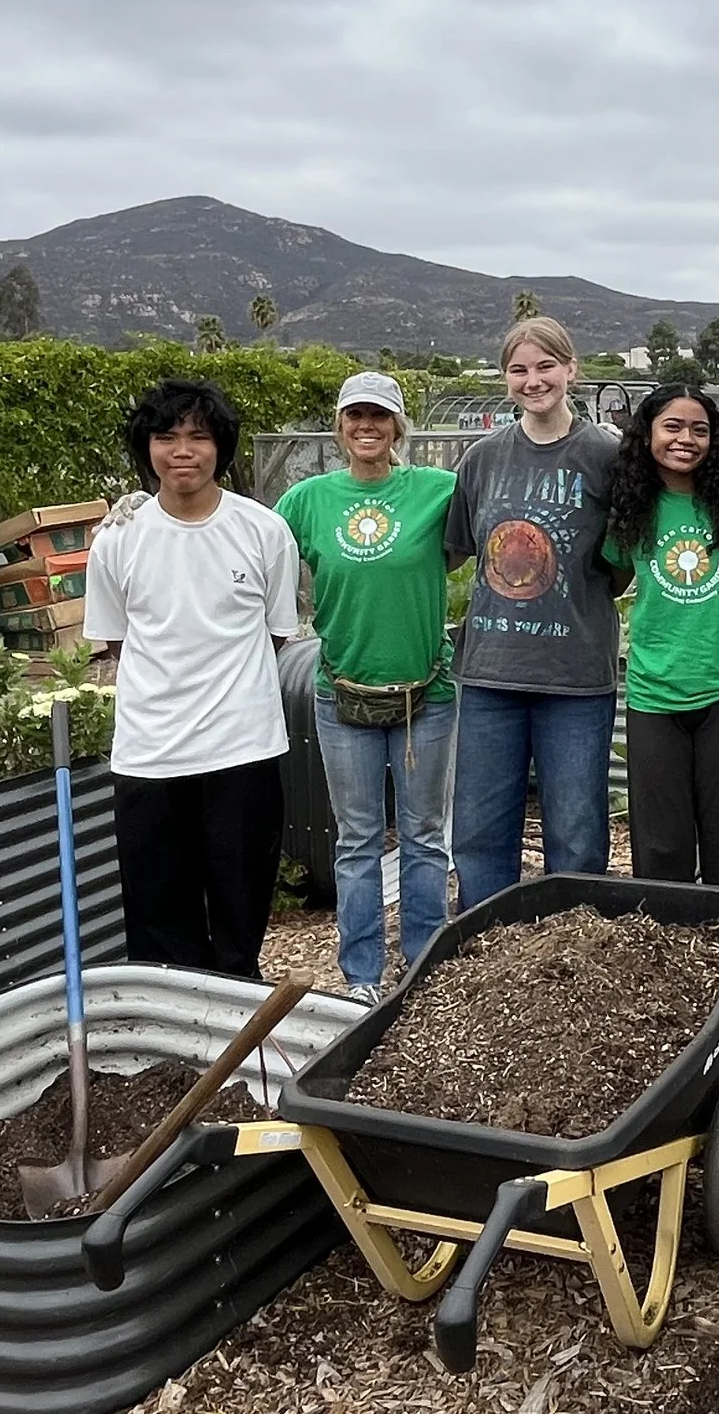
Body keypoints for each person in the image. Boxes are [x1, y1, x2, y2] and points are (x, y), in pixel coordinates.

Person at [81, 379, 301, 977]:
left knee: (239, 918)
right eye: (166, 436)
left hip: (242, 749)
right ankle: (171, 1031)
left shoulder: (263, 531)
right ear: (146, 448)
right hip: (150, 755)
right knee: (158, 927)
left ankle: (238, 1019)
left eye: (198, 437)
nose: (182, 451)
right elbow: (119, 641)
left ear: (220, 448)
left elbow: (276, 632)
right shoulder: (118, 539)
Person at [273, 372, 459, 1003]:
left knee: (424, 836)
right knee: (355, 842)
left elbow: (497, 523)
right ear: (340, 425)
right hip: (342, 696)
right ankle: (361, 977)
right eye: (355, 415)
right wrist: (142, 515)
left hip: (424, 699)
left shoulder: (437, 490)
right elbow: (247, 546)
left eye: (379, 416)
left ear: (398, 426)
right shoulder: (307, 500)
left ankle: (425, 964)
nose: (367, 427)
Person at [445, 317, 624, 908]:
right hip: (490, 673)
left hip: (575, 677)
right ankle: (486, 940)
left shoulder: (606, 457)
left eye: (546, 366)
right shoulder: (482, 459)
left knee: (575, 829)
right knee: (479, 829)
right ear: (505, 378)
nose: (534, 380)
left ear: (571, 369)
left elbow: (620, 565)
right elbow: (458, 549)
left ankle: (569, 942)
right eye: (519, 369)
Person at [602, 384, 719, 887]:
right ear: (647, 434)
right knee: (660, 842)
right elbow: (609, 580)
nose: (685, 439)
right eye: (672, 427)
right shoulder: (633, 508)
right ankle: (667, 929)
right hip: (654, 692)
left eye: (699, 430)